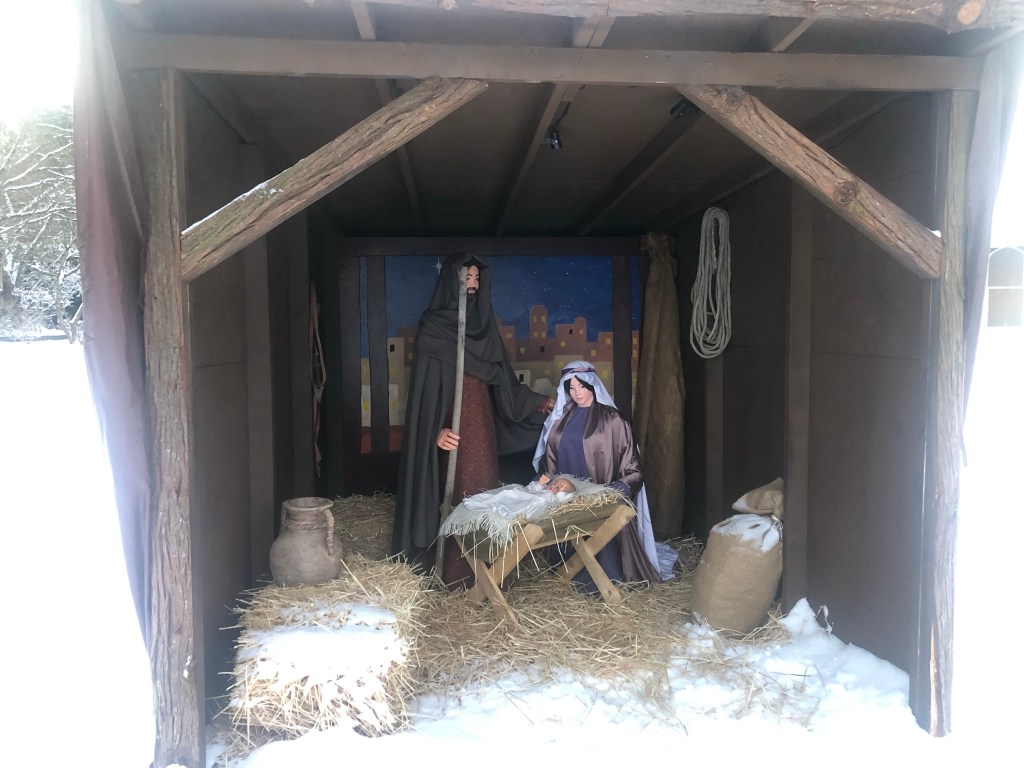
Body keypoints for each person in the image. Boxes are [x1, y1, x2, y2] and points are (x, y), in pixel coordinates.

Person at [391, 252, 554, 585]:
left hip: (482, 429)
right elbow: (424, 396)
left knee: (484, 491)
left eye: (477, 278)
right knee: (456, 496)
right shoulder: (433, 328)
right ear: (452, 280)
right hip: (451, 432)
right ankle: (454, 576)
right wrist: (434, 433)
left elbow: (504, 380)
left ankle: (488, 576)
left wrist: (539, 403)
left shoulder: (483, 325)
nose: (473, 284)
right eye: (467, 277)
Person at [533, 361, 661, 592]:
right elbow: (549, 459)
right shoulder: (560, 419)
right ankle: (569, 570)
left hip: (600, 501)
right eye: (571, 388)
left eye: (581, 386)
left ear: (592, 385)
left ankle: (607, 572)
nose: (577, 393)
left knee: (602, 540)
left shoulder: (613, 420)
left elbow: (632, 468)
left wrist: (616, 490)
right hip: (566, 501)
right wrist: (545, 480)